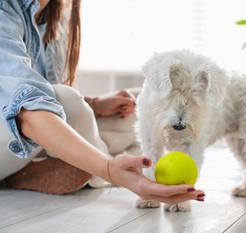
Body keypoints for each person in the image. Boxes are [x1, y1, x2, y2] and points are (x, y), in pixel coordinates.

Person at [0, 0, 205, 204]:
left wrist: (94, 103)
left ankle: (72, 163)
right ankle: (103, 166)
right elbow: (27, 110)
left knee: (140, 106)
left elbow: (45, 90)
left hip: (27, 138)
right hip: (18, 129)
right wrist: (108, 168)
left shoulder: (55, 11)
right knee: (70, 101)